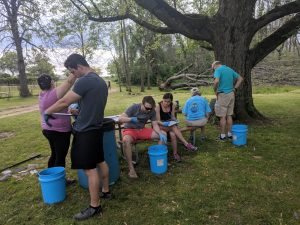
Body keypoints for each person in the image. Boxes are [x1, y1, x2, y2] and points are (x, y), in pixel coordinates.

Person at [43, 53, 110, 221]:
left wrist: (48, 111)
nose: (74, 75)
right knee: (100, 160)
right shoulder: (100, 81)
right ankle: (106, 191)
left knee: (89, 169)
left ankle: (95, 206)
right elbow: (91, 105)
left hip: (86, 131)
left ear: (80, 67)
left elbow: (64, 102)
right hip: (96, 128)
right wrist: (80, 111)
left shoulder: (85, 80)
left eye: (73, 71)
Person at [37, 73, 76, 185]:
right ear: (52, 82)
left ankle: (50, 176)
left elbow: (58, 107)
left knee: (54, 153)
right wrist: (74, 69)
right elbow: (69, 82)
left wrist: (69, 110)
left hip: (47, 129)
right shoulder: (54, 93)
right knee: (60, 156)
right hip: (60, 131)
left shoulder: (41, 94)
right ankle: (59, 181)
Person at [118, 96, 168, 179]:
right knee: (126, 140)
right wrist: (130, 119)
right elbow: (120, 119)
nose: (149, 110)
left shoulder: (152, 110)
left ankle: (157, 158)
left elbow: (155, 124)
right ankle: (131, 169)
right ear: (142, 104)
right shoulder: (133, 107)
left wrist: (160, 133)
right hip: (130, 130)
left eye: (150, 109)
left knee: (163, 133)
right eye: (147, 108)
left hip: (141, 130)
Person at [155, 93, 198, 162]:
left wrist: (175, 120)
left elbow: (172, 116)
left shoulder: (173, 104)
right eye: (165, 101)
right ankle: (186, 144)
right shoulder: (158, 106)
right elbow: (158, 121)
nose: (166, 103)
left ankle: (175, 154)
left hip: (170, 125)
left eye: (168, 101)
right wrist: (165, 123)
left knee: (173, 134)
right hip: (160, 125)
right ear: (162, 100)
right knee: (173, 127)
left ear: (171, 101)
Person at [212, 61, 243, 141]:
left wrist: (215, 89)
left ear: (215, 65)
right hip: (231, 94)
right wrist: (235, 88)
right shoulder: (229, 69)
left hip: (223, 95)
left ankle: (222, 136)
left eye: (213, 68)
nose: (213, 70)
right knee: (229, 115)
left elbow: (216, 81)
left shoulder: (218, 70)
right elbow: (240, 79)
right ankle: (229, 135)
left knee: (222, 116)